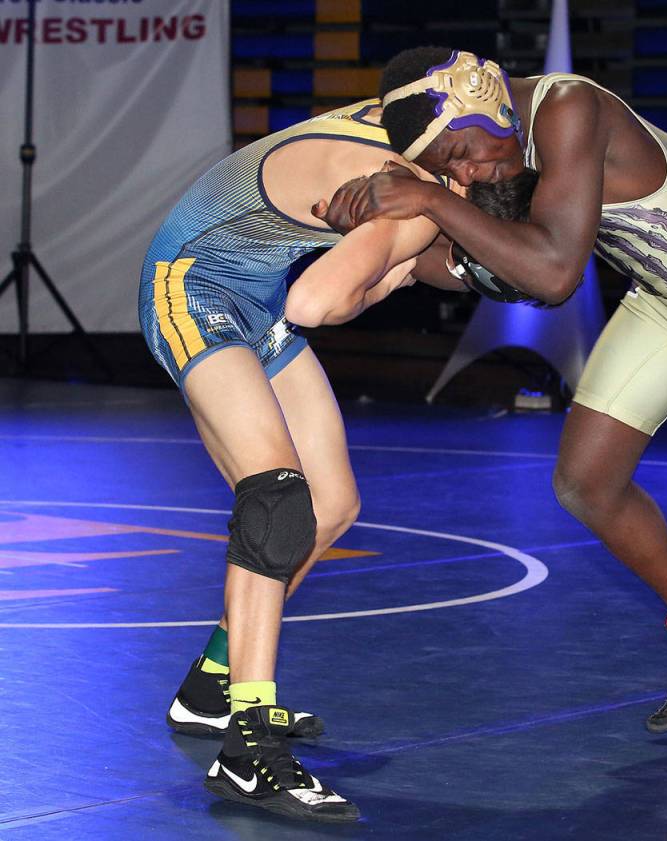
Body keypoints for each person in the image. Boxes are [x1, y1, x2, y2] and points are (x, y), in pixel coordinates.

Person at [314, 48, 667, 790]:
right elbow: (495, 268)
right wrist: (367, 242)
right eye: (448, 170)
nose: (465, 174)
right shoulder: (493, 150)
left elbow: (554, 274)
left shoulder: (566, 109)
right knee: (587, 481)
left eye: (460, 154)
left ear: (480, 99)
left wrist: (430, 204)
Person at [140, 97, 525, 822]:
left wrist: (390, 270)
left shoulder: (430, 141)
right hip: (191, 284)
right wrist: (388, 273)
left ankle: (212, 685)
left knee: (332, 503)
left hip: (252, 297)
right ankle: (248, 749)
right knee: (278, 495)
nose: (458, 281)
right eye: (469, 271)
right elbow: (318, 302)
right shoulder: (417, 208)